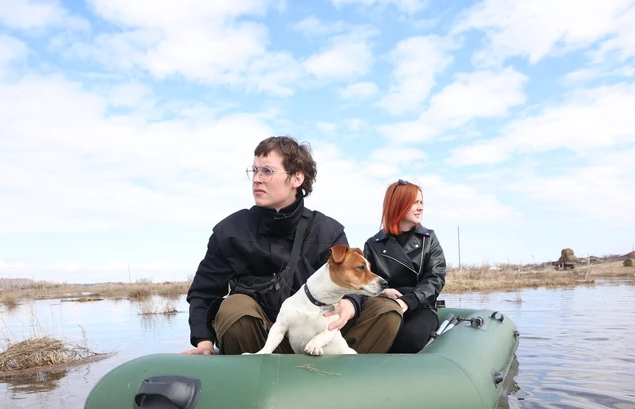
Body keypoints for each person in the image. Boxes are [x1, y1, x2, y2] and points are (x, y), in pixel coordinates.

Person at [182, 136, 401, 355]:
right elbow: (203, 293)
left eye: (267, 171)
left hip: (320, 341)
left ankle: (342, 377)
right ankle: (256, 379)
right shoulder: (229, 232)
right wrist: (204, 341)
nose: (257, 179)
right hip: (262, 342)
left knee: (386, 311)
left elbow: (353, 279)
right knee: (234, 307)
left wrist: (350, 304)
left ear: (297, 178)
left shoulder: (328, 231)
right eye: (254, 170)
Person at [364, 179, 447, 353]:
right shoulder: (373, 244)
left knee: (410, 338)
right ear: (399, 204)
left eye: (421, 202)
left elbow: (435, 277)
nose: (421, 208)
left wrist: (410, 300)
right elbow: (364, 282)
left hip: (420, 305)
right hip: (385, 306)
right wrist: (382, 292)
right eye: (415, 202)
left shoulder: (428, 239)